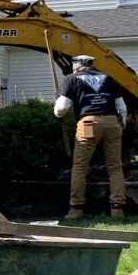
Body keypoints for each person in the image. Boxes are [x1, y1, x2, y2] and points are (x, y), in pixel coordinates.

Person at [55, 54, 131, 220]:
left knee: (80, 167)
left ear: (76, 66)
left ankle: (76, 209)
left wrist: (58, 113)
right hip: (112, 123)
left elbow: (61, 109)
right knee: (115, 167)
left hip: (88, 124)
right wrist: (122, 125)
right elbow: (122, 108)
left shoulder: (71, 79)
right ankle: (117, 210)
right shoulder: (108, 78)